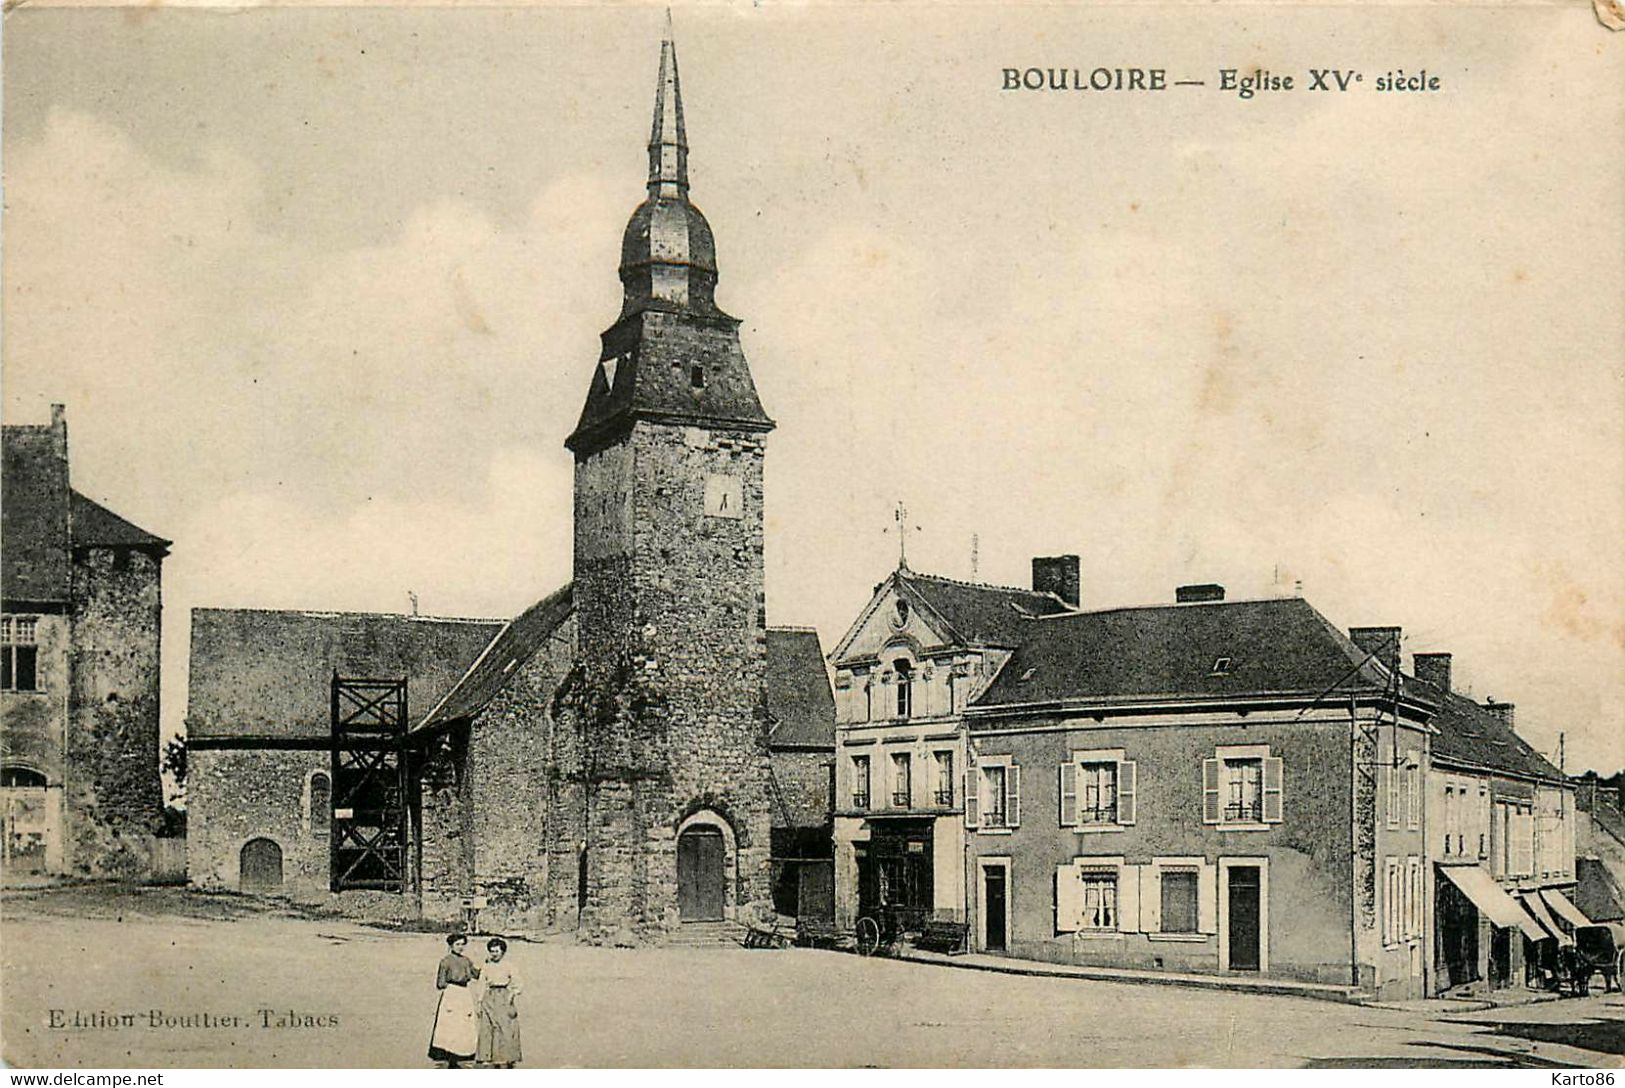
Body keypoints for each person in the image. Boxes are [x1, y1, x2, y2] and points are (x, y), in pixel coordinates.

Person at [427, 933, 480, 1067]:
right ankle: (448, 1054)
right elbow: (440, 983)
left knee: (464, 1023)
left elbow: (477, 974)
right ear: (451, 945)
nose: (460, 947)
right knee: (450, 1023)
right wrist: (452, 985)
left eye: (463, 944)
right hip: (452, 993)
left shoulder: (466, 960)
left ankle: (463, 1052)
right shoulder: (445, 961)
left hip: (464, 993)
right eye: (457, 944)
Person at [476, 937, 523, 1068]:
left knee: (504, 1027)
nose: (494, 954)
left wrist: (511, 995)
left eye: (496, 951)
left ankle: (504, 1057)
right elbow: (481, 984)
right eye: (491, 951)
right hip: (489, 996)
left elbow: (518, 983)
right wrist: (480, 1002)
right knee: (487, 1026)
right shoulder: (486, 966)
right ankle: (486, 1057)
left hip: (503, 996)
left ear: (503, 952)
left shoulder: (509, 966)